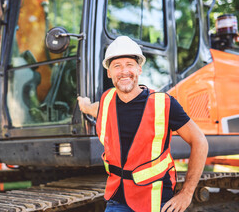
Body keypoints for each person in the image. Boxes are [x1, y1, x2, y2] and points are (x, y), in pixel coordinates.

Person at [77, 36, 208, 212]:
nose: (124, 71)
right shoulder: (106, 101)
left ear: (139, 69)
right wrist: (84, 106)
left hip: (155, 201)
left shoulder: (164, 104)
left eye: (129, 65)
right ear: (109, 73)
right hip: (116, 198)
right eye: (117, 66)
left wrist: (187, 193)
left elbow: (200, 140)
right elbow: (95, 108)